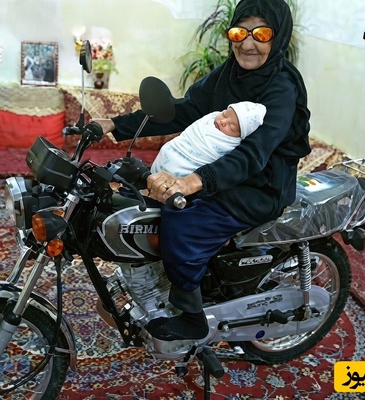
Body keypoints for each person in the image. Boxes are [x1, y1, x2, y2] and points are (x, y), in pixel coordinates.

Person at [93, 0, 311, 342]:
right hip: (221, 171)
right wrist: (114, 125)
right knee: (140, 203)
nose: (247, 43)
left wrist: (192, 182)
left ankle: (191, 315)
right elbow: (185, 109)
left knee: (183, 220)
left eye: (261, 34)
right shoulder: (229, 73)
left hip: (260, 186)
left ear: (279, 36)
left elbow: (255, 154)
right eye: (239, 33)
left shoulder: (282, 88)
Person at [151, 101, 266, 177]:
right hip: (171, 152)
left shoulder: (230, 144)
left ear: (238, 137)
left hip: (185, 171)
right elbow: (188, 135)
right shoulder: (209, 119)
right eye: (224, 115)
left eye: (231, 127)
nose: (223, 121)